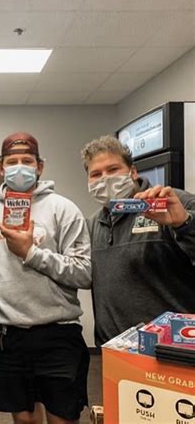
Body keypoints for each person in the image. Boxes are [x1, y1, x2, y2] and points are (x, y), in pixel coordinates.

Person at [0, 132, 92, 424]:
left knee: (63, 418)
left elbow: (84, 272)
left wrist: (31, 253)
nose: (20, 167)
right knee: (24, 419)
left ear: (40, 166)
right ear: (0, 167)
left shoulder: (63, 209)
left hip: (58, 333)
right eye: (12, 161)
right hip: (8, 337)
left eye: (27, 161)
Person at [81, 135, 195, 346]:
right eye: (96, 174)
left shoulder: (174, 203)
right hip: (115, 351)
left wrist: (184, 224)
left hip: (172, 347)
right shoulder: (93, 224)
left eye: (113, 169)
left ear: (133, 172)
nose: (104, 178)